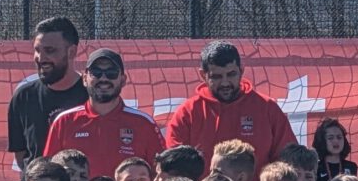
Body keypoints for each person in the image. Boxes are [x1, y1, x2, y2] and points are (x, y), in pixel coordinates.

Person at [164, 42, 294, 166]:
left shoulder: (267, 108)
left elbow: (288, 162)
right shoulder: (187, 113)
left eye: (231, 74)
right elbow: (175, 168)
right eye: (217, 77)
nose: (225, 83)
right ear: (203, 75)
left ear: (241, 70)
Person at [41, 48, 165, 164]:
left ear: (123, 80)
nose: (104, 78)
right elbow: (49, 172)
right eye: (96, 72)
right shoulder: (64, 122)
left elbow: (162, 173)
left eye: (111, 73)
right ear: (84, 79)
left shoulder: (144, 123)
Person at [6, 17, 91, 169]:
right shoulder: (23, 96)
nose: (41, 58)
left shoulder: (92, 95)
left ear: (71, 52)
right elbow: (22, 157)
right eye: (37, 50)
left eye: (50, 51)